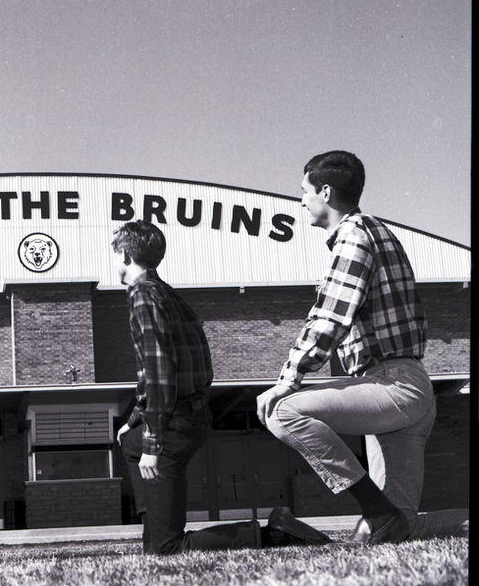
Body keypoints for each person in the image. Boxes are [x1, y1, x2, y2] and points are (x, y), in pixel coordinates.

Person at [256, 150, 468, 544]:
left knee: (282, 411)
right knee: (397, 530)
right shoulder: (378, 231)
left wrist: (288, 380)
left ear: (325, 192)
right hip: (408, 387)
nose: (301, 201)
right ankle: (385, 516)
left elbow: (330, 318)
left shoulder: (353, 236)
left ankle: (376, 510)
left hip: (392, 386)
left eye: (304, 191)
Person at [113, 219, 332, 555]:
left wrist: (152, 441)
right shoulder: (167, 293)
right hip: (192, 415)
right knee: (129, 442)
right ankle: (154, 534)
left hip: (174, 424)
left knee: (167, 549)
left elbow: (159, 371)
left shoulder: (142, 295)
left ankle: (273, 534)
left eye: (115, 254)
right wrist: (134, 421)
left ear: (126, 255)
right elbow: (166, 371)